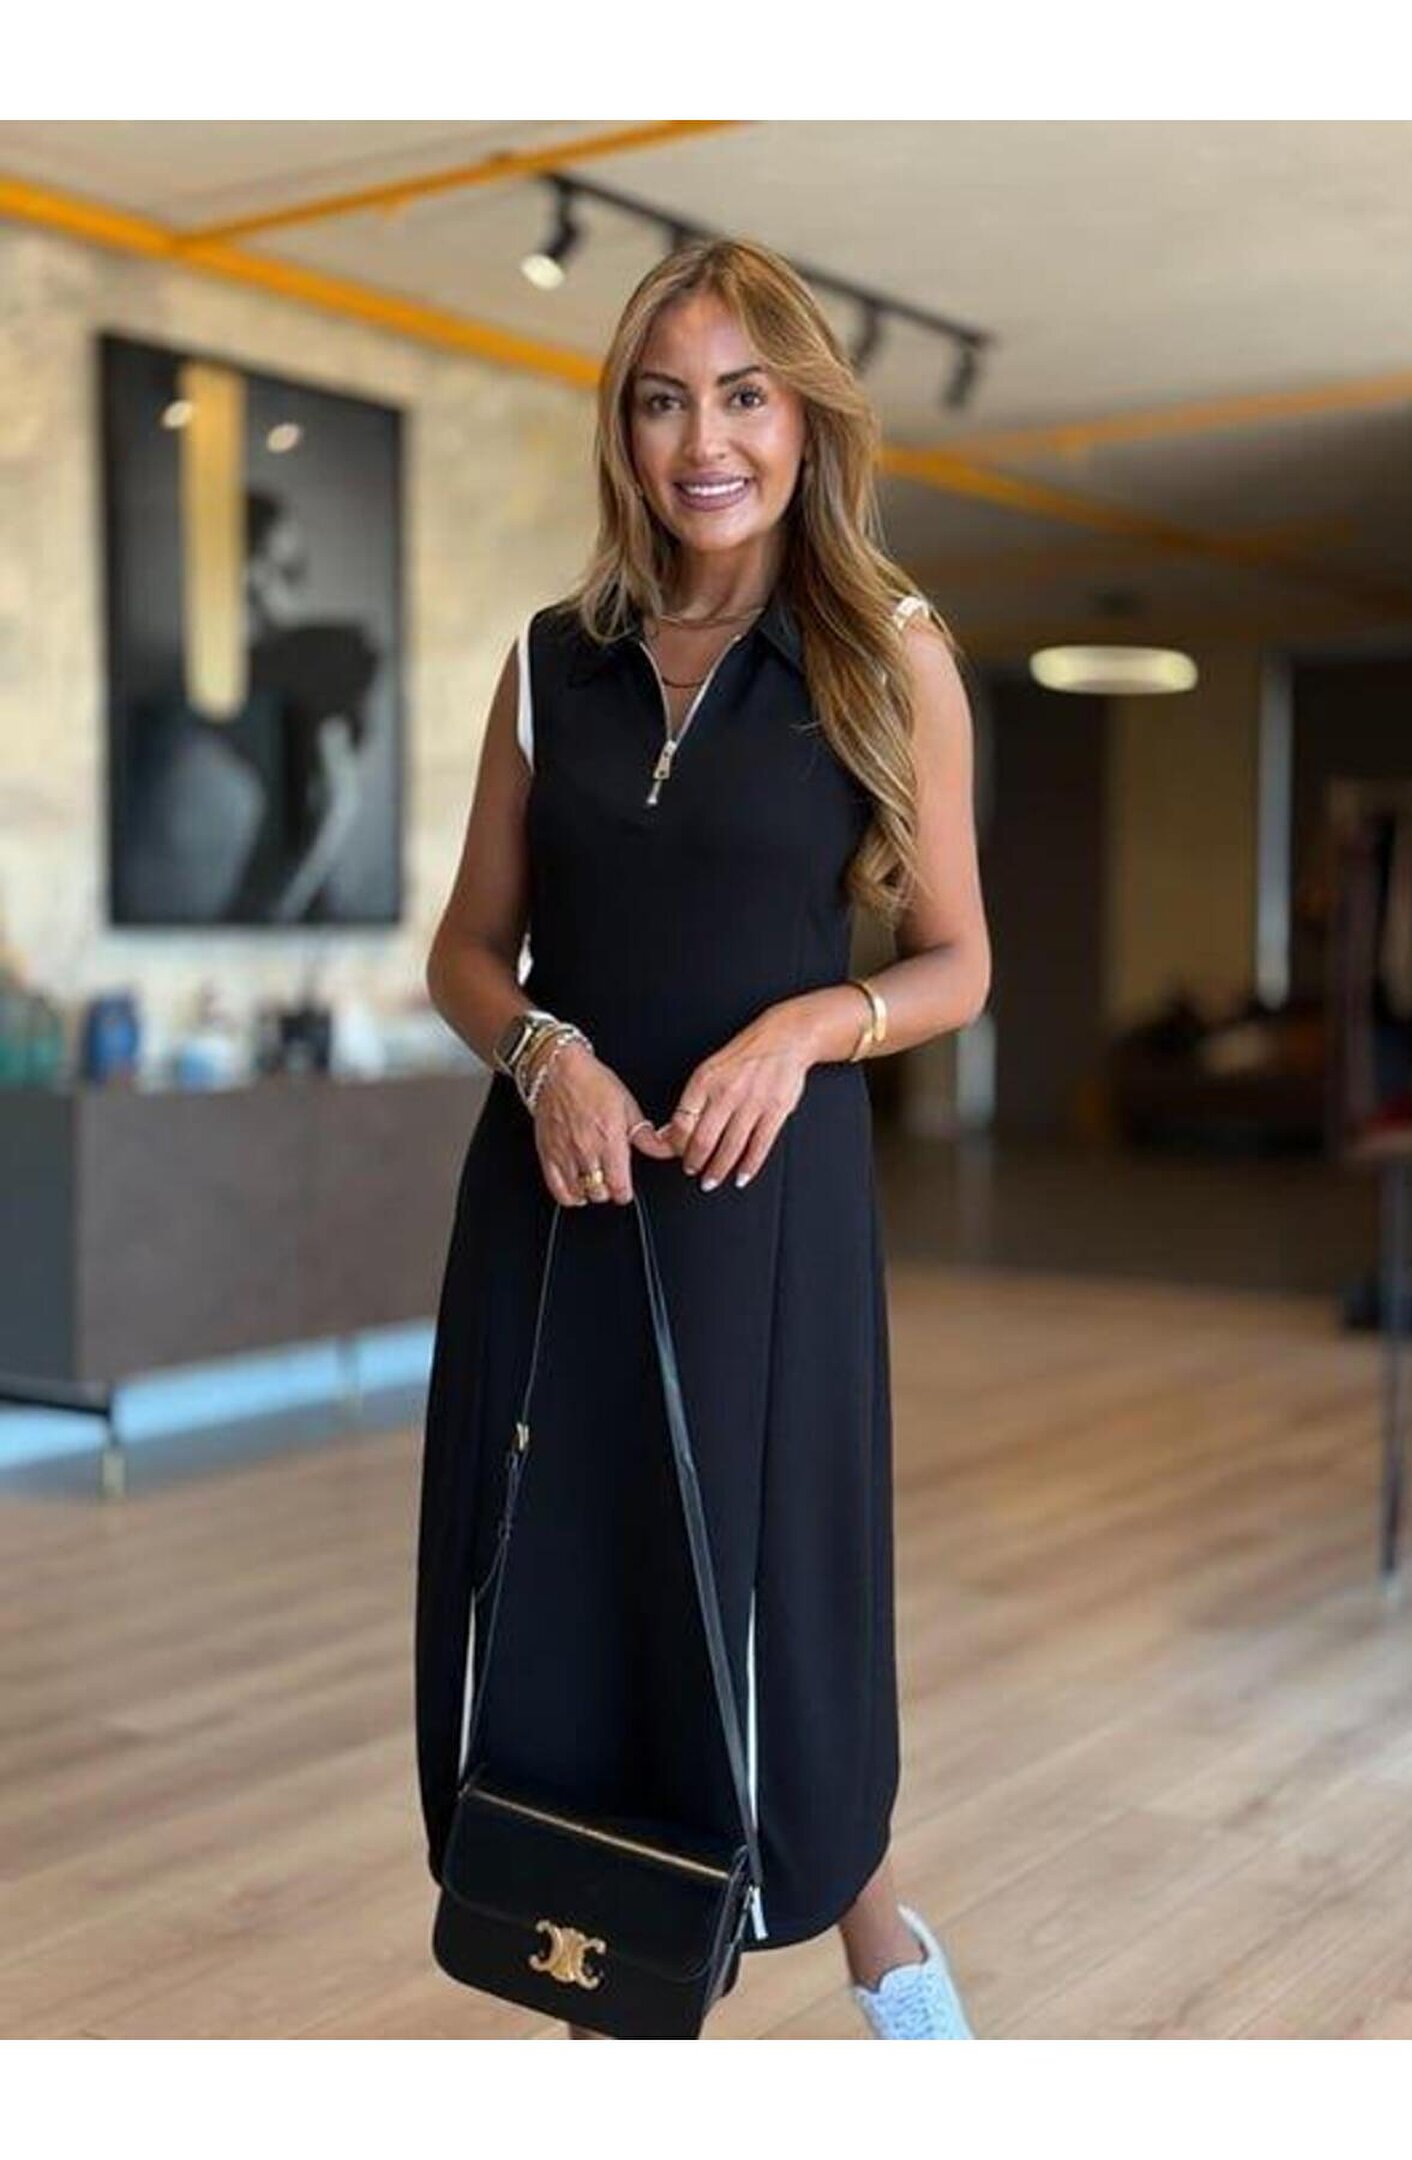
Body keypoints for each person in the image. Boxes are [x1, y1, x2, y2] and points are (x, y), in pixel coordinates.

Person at [416, 235, 991, 2040]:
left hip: (768, 1211)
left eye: (744, 396)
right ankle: (606, 1993)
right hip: (562, 1198)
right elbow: (464, 951)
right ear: (625, 431)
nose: (704, 442)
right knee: (578, 1604)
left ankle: (892, 1965)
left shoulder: (891, 654)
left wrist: (814, 1027)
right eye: (664, 402)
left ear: (807, 420)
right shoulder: (551, 663)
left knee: (775, 1601)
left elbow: (958, 960)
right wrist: (543, 1057)